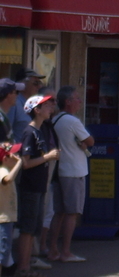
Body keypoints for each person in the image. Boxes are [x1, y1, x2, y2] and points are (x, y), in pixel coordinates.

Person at [47, 87, 92, 264]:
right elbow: (90, 141)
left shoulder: (55, 119)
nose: (80, 101)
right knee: (72, 213)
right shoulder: (72, 121)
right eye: (77, 98)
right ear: (68, 102)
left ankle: (53, 250)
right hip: (74, 171)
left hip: (59, 170)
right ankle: (66, 251)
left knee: (59, 213)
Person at [17, 94, 59, 277]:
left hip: (39, 186)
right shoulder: (29, 132)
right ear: (37, 110)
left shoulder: (41, 130)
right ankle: (23, 267)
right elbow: (25, 163)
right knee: (27, 229)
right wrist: (48, 157)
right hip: (30, 187)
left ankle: (27, 264)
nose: (50, 107)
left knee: (34, 228)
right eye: (46, 105)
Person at [0, 143, 22, 277]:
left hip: (7, 219)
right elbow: (7, 179)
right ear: (5, 159)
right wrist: (19, 163)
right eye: (13, 155)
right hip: (3, 220)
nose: (17, 156)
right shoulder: (3, 170)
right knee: (1, 255)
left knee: (5, 255)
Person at [8, 70, 45, 143]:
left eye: (40, 83)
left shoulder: (35, 104)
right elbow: (6, 132)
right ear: (23, 85)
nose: (39, 86)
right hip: (18, 152)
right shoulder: (14, 104)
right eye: (35, 83)